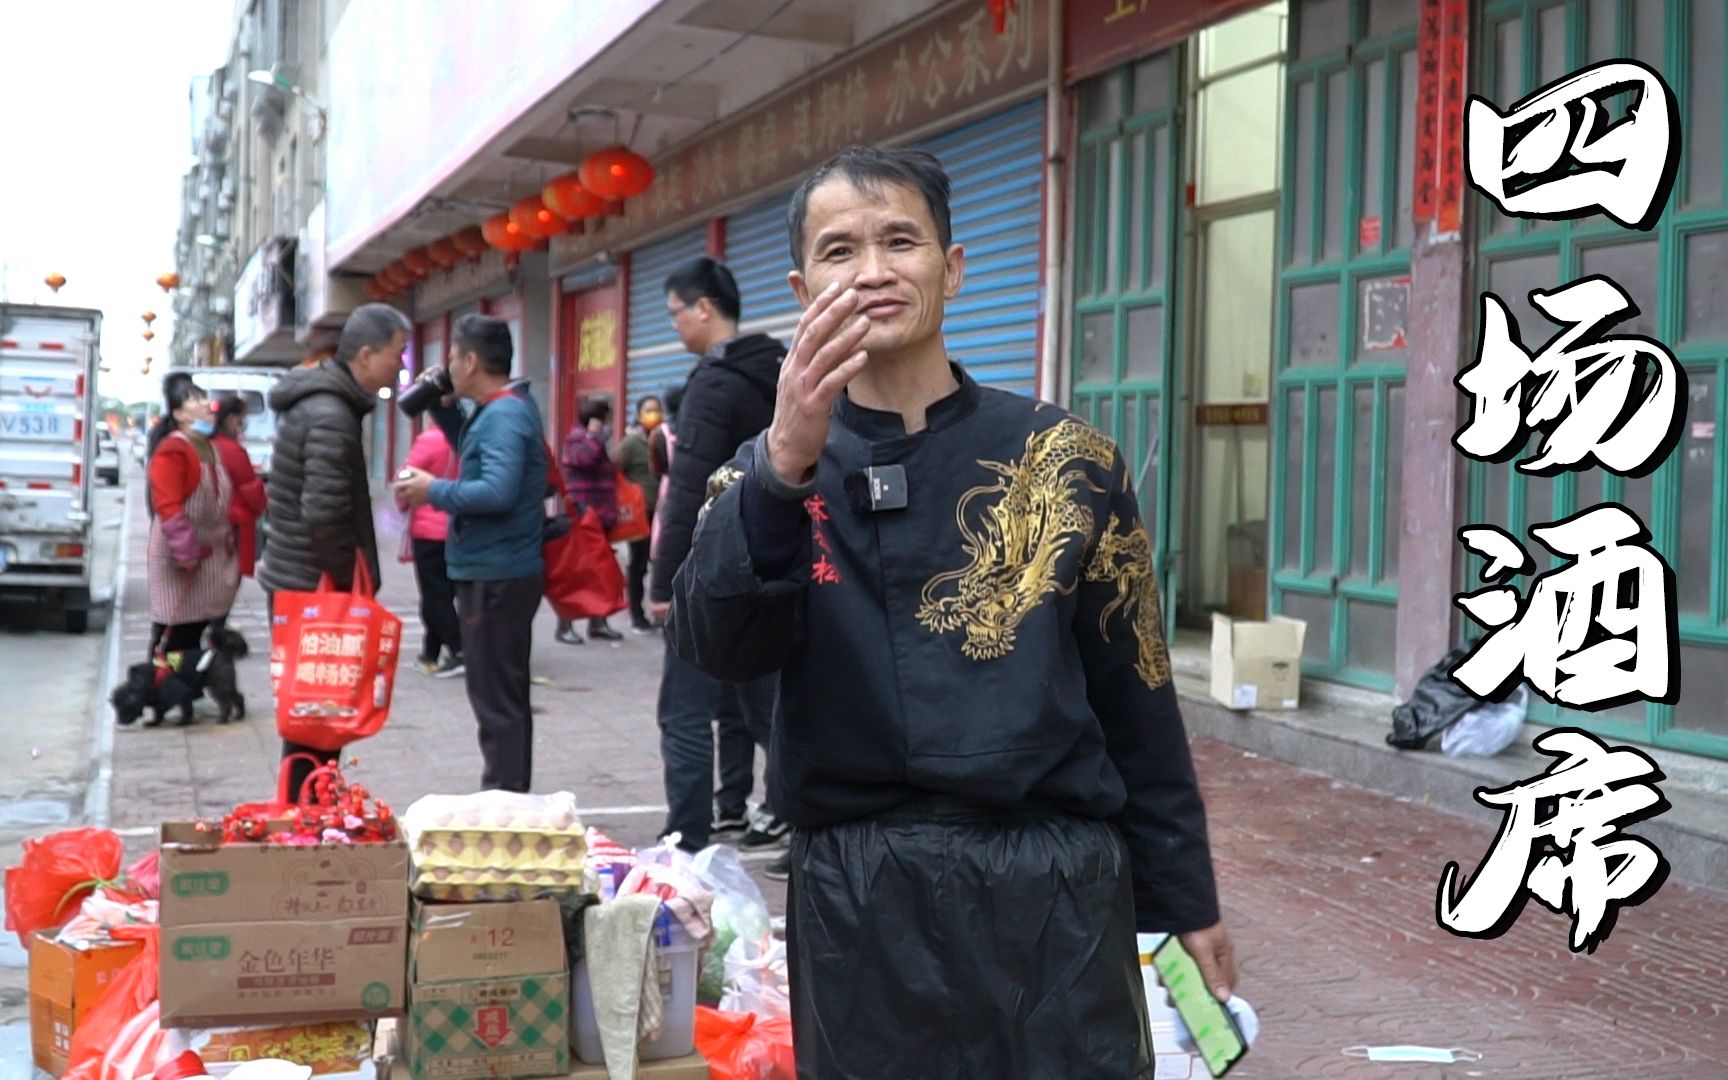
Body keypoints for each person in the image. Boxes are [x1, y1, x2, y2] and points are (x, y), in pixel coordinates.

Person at [668, 146, 1236, 1077]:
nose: (875, 270)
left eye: (902, 240)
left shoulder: (1066, 459)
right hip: (859, 899)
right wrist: (783, 469)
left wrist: (1184, 896)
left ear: (953, 265)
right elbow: (716, 646)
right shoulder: (757, 472)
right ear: (803, 283)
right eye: (841, 250)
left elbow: (1136, 697)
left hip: (1053, 888)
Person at [647, 256, 787, 860]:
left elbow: (686, 489)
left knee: (684, 708)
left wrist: (661, 582)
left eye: (677, 312)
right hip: (772, 558)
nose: (675, 325)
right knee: (760, 706)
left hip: (711, 567)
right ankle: (792, 813)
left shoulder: (712, 383)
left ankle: (685, 831)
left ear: (704, 308)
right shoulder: (777, 370)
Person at [260, 303, 409, 795]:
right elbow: (323, 514)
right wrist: (347, 583)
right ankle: (306, 816)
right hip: (312, 586)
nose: (400, 366)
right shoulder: (330, 414)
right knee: (316, 716)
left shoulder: (327, 405)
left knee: (312, 713)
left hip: (297, 578)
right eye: (396, 354)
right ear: (366, 356)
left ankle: (309, 809)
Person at [396, 314, 547, 793]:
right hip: (494, 568)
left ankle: (504, 800)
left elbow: (497, 491)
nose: (448, 368)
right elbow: (475, 451)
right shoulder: (499, 408)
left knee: (495, 698)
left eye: (452, 359)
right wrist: (443, 410)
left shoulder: (504, 414)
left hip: (497, 573)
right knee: (499, 693)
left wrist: (433, 490)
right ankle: (507, 793)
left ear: (471, 360)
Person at [145, 376, 240, 679]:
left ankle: (187, 687)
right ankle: (161, 686)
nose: (205, 404)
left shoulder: (210, 448)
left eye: (203, 397)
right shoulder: (173, 450)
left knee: (197, 629)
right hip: (180, 559)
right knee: (174, 633)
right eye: (195, 400)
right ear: (179, 415)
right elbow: (168, 507)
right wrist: (187, 553)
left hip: (210, 559)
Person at [398, 424, 464, 678]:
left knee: (435, 597)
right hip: (459, 525)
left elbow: (406, 478)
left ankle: (460, 649)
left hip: (429, 527)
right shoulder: (466, 435)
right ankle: (430, 653)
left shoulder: (430, 439)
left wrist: (404, 504)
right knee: (444, 594)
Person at [554, 398, 622, 644]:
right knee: (578, 570)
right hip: (583, 514)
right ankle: (565, 626)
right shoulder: (577, 439)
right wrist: (595, 437)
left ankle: (598, 622)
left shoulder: (594, 440)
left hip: (601, 513)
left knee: (601, 570)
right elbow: (583, 460)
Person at [612, 394, 663, 633]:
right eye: (649, 411)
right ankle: (636, 613)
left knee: (661, 562)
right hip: (639, 515)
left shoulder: (663, 438)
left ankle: (659, 610)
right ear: (638, 415)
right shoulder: (631, 444)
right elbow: (615, 472)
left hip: (661, 512)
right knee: (638, 564)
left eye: (657, 410)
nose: (654, 415)